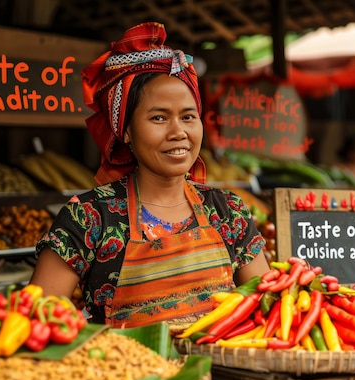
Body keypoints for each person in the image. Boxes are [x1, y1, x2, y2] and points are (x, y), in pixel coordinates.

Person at [29, 22, 270, 328]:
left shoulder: (227, 211)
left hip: (219, 375)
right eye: (159, 118)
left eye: (188, 117)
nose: (178, 132)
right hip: (129, 374)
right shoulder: (89, 216)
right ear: (126, 131)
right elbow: (36, 318)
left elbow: (267, 306)